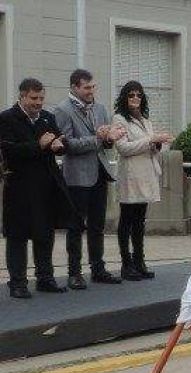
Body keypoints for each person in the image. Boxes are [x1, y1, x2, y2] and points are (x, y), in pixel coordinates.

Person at [54, 69, 126, 289]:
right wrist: (98, 138)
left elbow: (105, 145)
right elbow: (68, 145)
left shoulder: (101, 108)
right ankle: (74, 272)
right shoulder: (62, 110)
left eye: (93, 87)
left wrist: (109, 139)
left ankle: (98, 268)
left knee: (97, 225)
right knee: (76, 226)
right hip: (77, 176)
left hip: (100, 173)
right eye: (86, 87)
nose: (91, 91)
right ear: (74, 87)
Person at [0, 78, 72, 298]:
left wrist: (60, 146)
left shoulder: (48, 118)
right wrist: (39, 145)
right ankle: (18, 283)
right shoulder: (7, 119)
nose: (38, 102)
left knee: (45, 234)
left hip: (46, 186)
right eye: (33, 98)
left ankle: (45, 278)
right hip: (19, 187)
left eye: (41, 98)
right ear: (22, 97)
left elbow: (59, 142)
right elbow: (9, 150)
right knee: (17, 236)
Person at [111, 80, 174, 281]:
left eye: (138, 95)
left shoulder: (146, 120)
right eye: (131, 95)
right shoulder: (119, 119)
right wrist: (151, 140)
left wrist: (157, 144)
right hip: (130, 176)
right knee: (127, 220)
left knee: (139, 221)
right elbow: (123, 148)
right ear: (125, 98)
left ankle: (139, 261)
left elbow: (150, 147)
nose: (135, 98)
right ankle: (126, 264)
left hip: (146, 174)